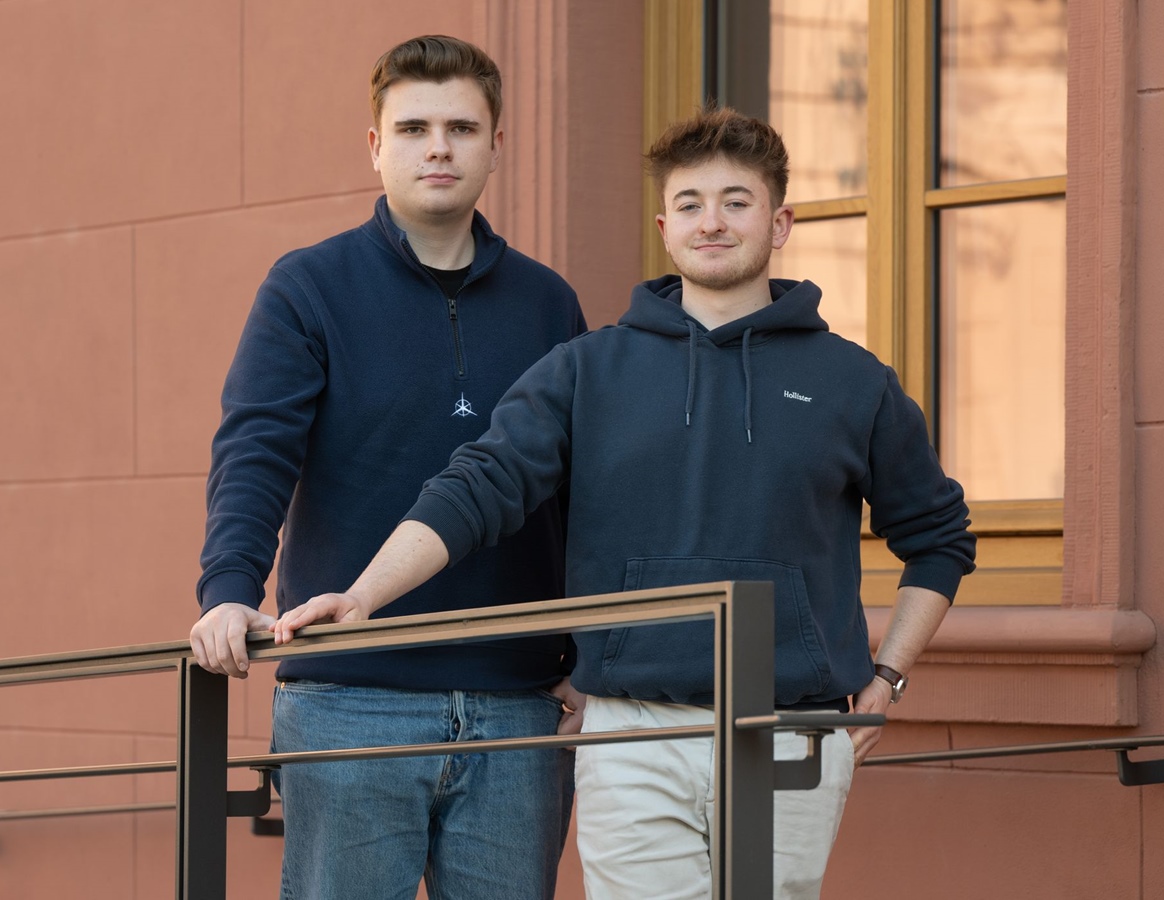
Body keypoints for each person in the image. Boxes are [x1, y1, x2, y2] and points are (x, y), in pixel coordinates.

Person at [275, 106, 976, 899]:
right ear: (664, 227)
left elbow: (940, 538)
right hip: (633, 726)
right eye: (690, 205)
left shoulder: (855, 382)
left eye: (736, 202)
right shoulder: (586, 371)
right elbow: (478, 488)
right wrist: (364, 595)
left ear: (779, 223)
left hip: (793, 728)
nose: (712, 222)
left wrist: (889, 678)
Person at [188, 35, 587, 900]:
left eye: (460, 127)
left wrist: (585, 653)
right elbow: (255, 449)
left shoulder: (550, 303)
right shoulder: (308, 288)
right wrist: (228, 586)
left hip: (516, 702)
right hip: (350, 695)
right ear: (376, 147)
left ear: (495, 145)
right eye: (412, 128)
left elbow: (579, 487)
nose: (437, 147)